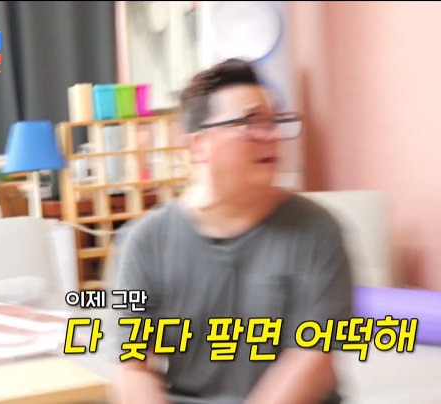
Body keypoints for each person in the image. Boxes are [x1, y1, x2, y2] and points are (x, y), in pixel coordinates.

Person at [113, 58, 353, 404]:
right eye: (250, 121)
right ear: (199, 145)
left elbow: (313, 359)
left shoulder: (317, 230)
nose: (272, 135)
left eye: (275, 120)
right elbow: (133, 367)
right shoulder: (146, 241)